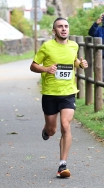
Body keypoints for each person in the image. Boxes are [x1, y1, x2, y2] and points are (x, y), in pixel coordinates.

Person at [30, 17, 88, 178]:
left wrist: (80, 64)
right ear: (54, 31)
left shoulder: (74, 45)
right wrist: (46, 69)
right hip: (50, 93)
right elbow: (33, 66)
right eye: (60, 27)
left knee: (65, 125)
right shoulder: (47, 46)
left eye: (66, 26)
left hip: (68, 92)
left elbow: (73, 61)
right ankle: (46, 130)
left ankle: (62, 165)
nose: (64, 29)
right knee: (53, 129)